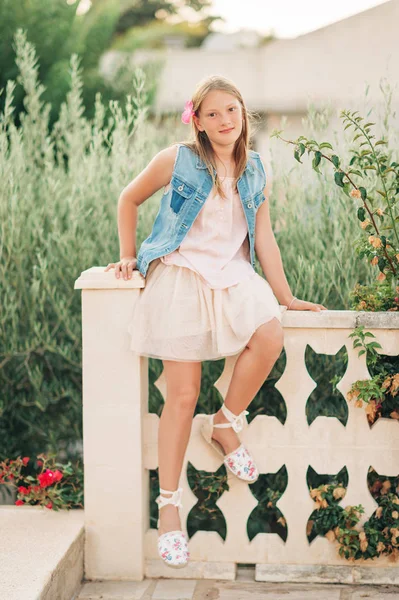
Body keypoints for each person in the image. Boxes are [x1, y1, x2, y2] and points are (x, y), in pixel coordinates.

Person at [105, 75, 328, 569]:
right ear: (198, 123)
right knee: (181, 395)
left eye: (232, 110)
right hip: (181, 274)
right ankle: (168, 509)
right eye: (212, 114)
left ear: (243, 114)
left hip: (231, 275)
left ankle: (225, 422)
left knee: (269, 333)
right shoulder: (178, 160)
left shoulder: (256, 169)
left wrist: (286, 295)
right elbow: (128, 198)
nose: (225, 120)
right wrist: (127, 256)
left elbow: (263, 237)